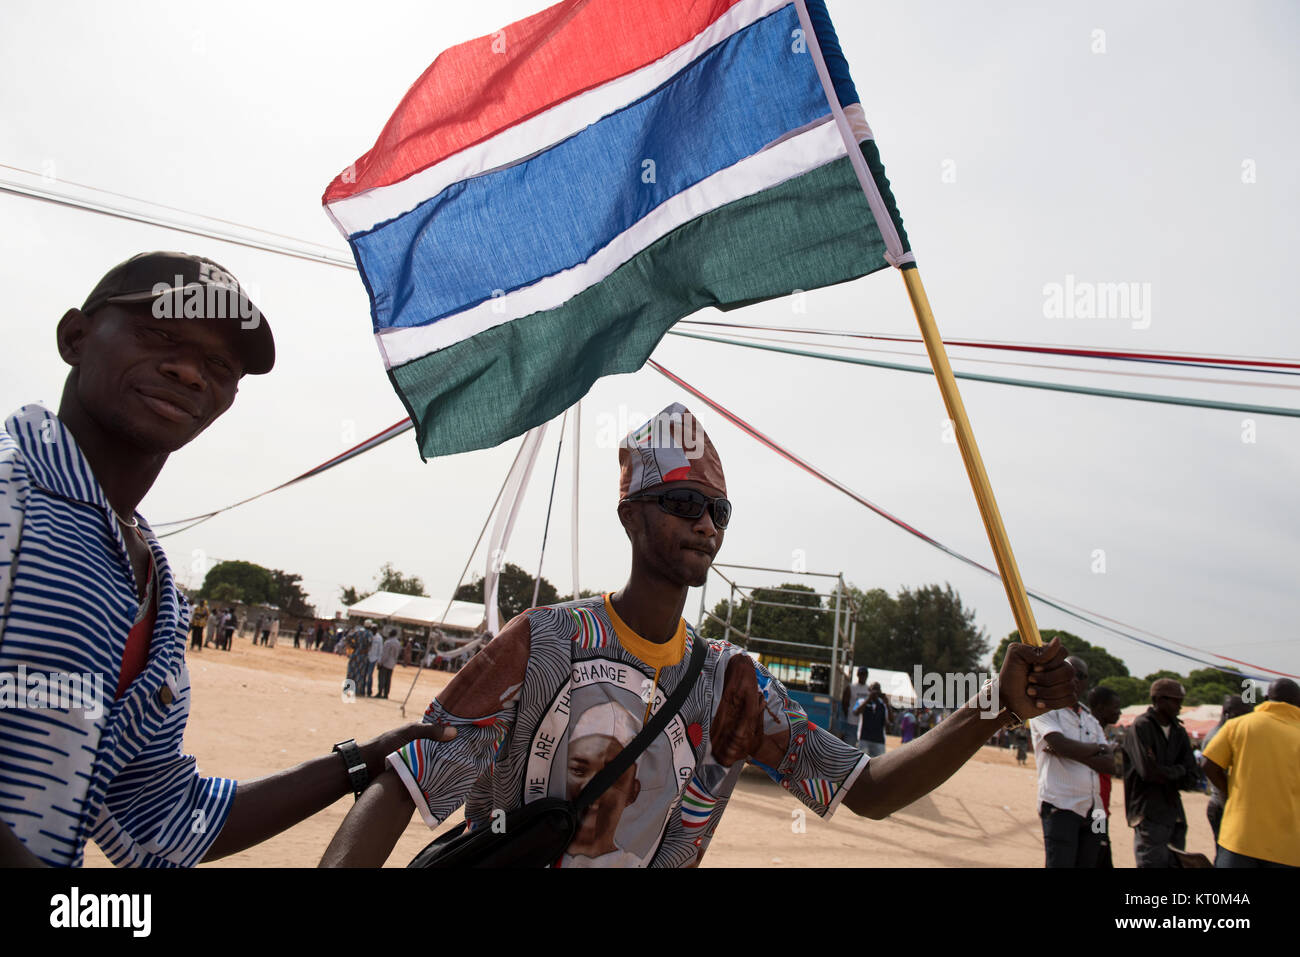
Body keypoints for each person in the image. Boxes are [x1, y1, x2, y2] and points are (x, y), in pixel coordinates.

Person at [320, 404, 1074, 867]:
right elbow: (405, 783)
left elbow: (867, 791)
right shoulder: (543, 641)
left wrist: (992, 709)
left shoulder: (732, 684)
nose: (706, 523)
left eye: (719, 509)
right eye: (683, 502)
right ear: (631, 514)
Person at [0, 251, 451, 867]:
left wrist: (362, 759)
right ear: (75, 337)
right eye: (160, 333)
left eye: (218, 363)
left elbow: (167, 817)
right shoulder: (11, 489)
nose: (189, 372)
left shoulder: (152, 588)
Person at [1201, 679, 1300, 868]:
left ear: (1265, 699)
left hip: (1240, 837)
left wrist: (1229, 792)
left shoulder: (1238, 725)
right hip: (1289, 847)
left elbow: (1208, 764)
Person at [1029, 656, 1112, 868]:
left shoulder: (1090, 719)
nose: (1074, 680)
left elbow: (1110, 764)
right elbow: (1058, 744)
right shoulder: (1044, 709)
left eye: (1081, 676)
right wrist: (1095, 749)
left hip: (1096, 810)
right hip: (1060, 807)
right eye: (1069, 674)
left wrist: (1068, 749)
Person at [1122, 677, 1200, 867]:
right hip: (1148, 813)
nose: (1180, 706)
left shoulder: (1178, 731)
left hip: (1174, 813)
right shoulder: (1141, 727)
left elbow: (1191, 777)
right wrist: (1178, 771)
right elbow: (1148, 773)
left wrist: (1170, 772)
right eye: (1176, 700)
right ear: (1159, 700)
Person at [1200, 694, 1253, 846]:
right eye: (1243, 714)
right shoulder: (1218, 736)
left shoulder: (1231, 733)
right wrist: (1232, 795)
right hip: (1221, 807)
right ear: (1228, 713)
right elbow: (1210, 768)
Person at [1087, 685, 1123, 868]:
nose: (1119, 712)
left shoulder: (1101, 733)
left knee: (1101, 852)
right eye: (1115, 707)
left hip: (1101, 811)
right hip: (1094, 811)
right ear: (1101, 708)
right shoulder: (1088, 732)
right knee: (1099, 853)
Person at [854, 681, 890, 757]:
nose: (875, 691)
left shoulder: (883, 704)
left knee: (879, 765)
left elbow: (891, 720)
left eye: (877, 689)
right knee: (863, 764)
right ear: (869, 690)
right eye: (874, 689)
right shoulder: (862, 701)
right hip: (864, 738)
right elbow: (856, 712)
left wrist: (888, 704)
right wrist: (868, 699)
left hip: (879, 740)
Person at [840, 667, 869, 746]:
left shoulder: (869, 689)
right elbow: (845, 704)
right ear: (858, 675)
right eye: (861, 674)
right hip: (851, 722)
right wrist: (848, 715)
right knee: (849, 746)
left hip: (863, 724)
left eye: (864, 674)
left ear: (867, 675)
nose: (863, 676)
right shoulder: (851, 687)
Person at [378, 627, 401, 699]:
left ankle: (380, 693)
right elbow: (397, 654)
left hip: (385, 663)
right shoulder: (398, 643)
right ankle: (386, 694)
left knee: (382, 678)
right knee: (388, 679)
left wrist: (380, 663)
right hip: (392, 663)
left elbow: (385, 654)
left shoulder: (388, 642)